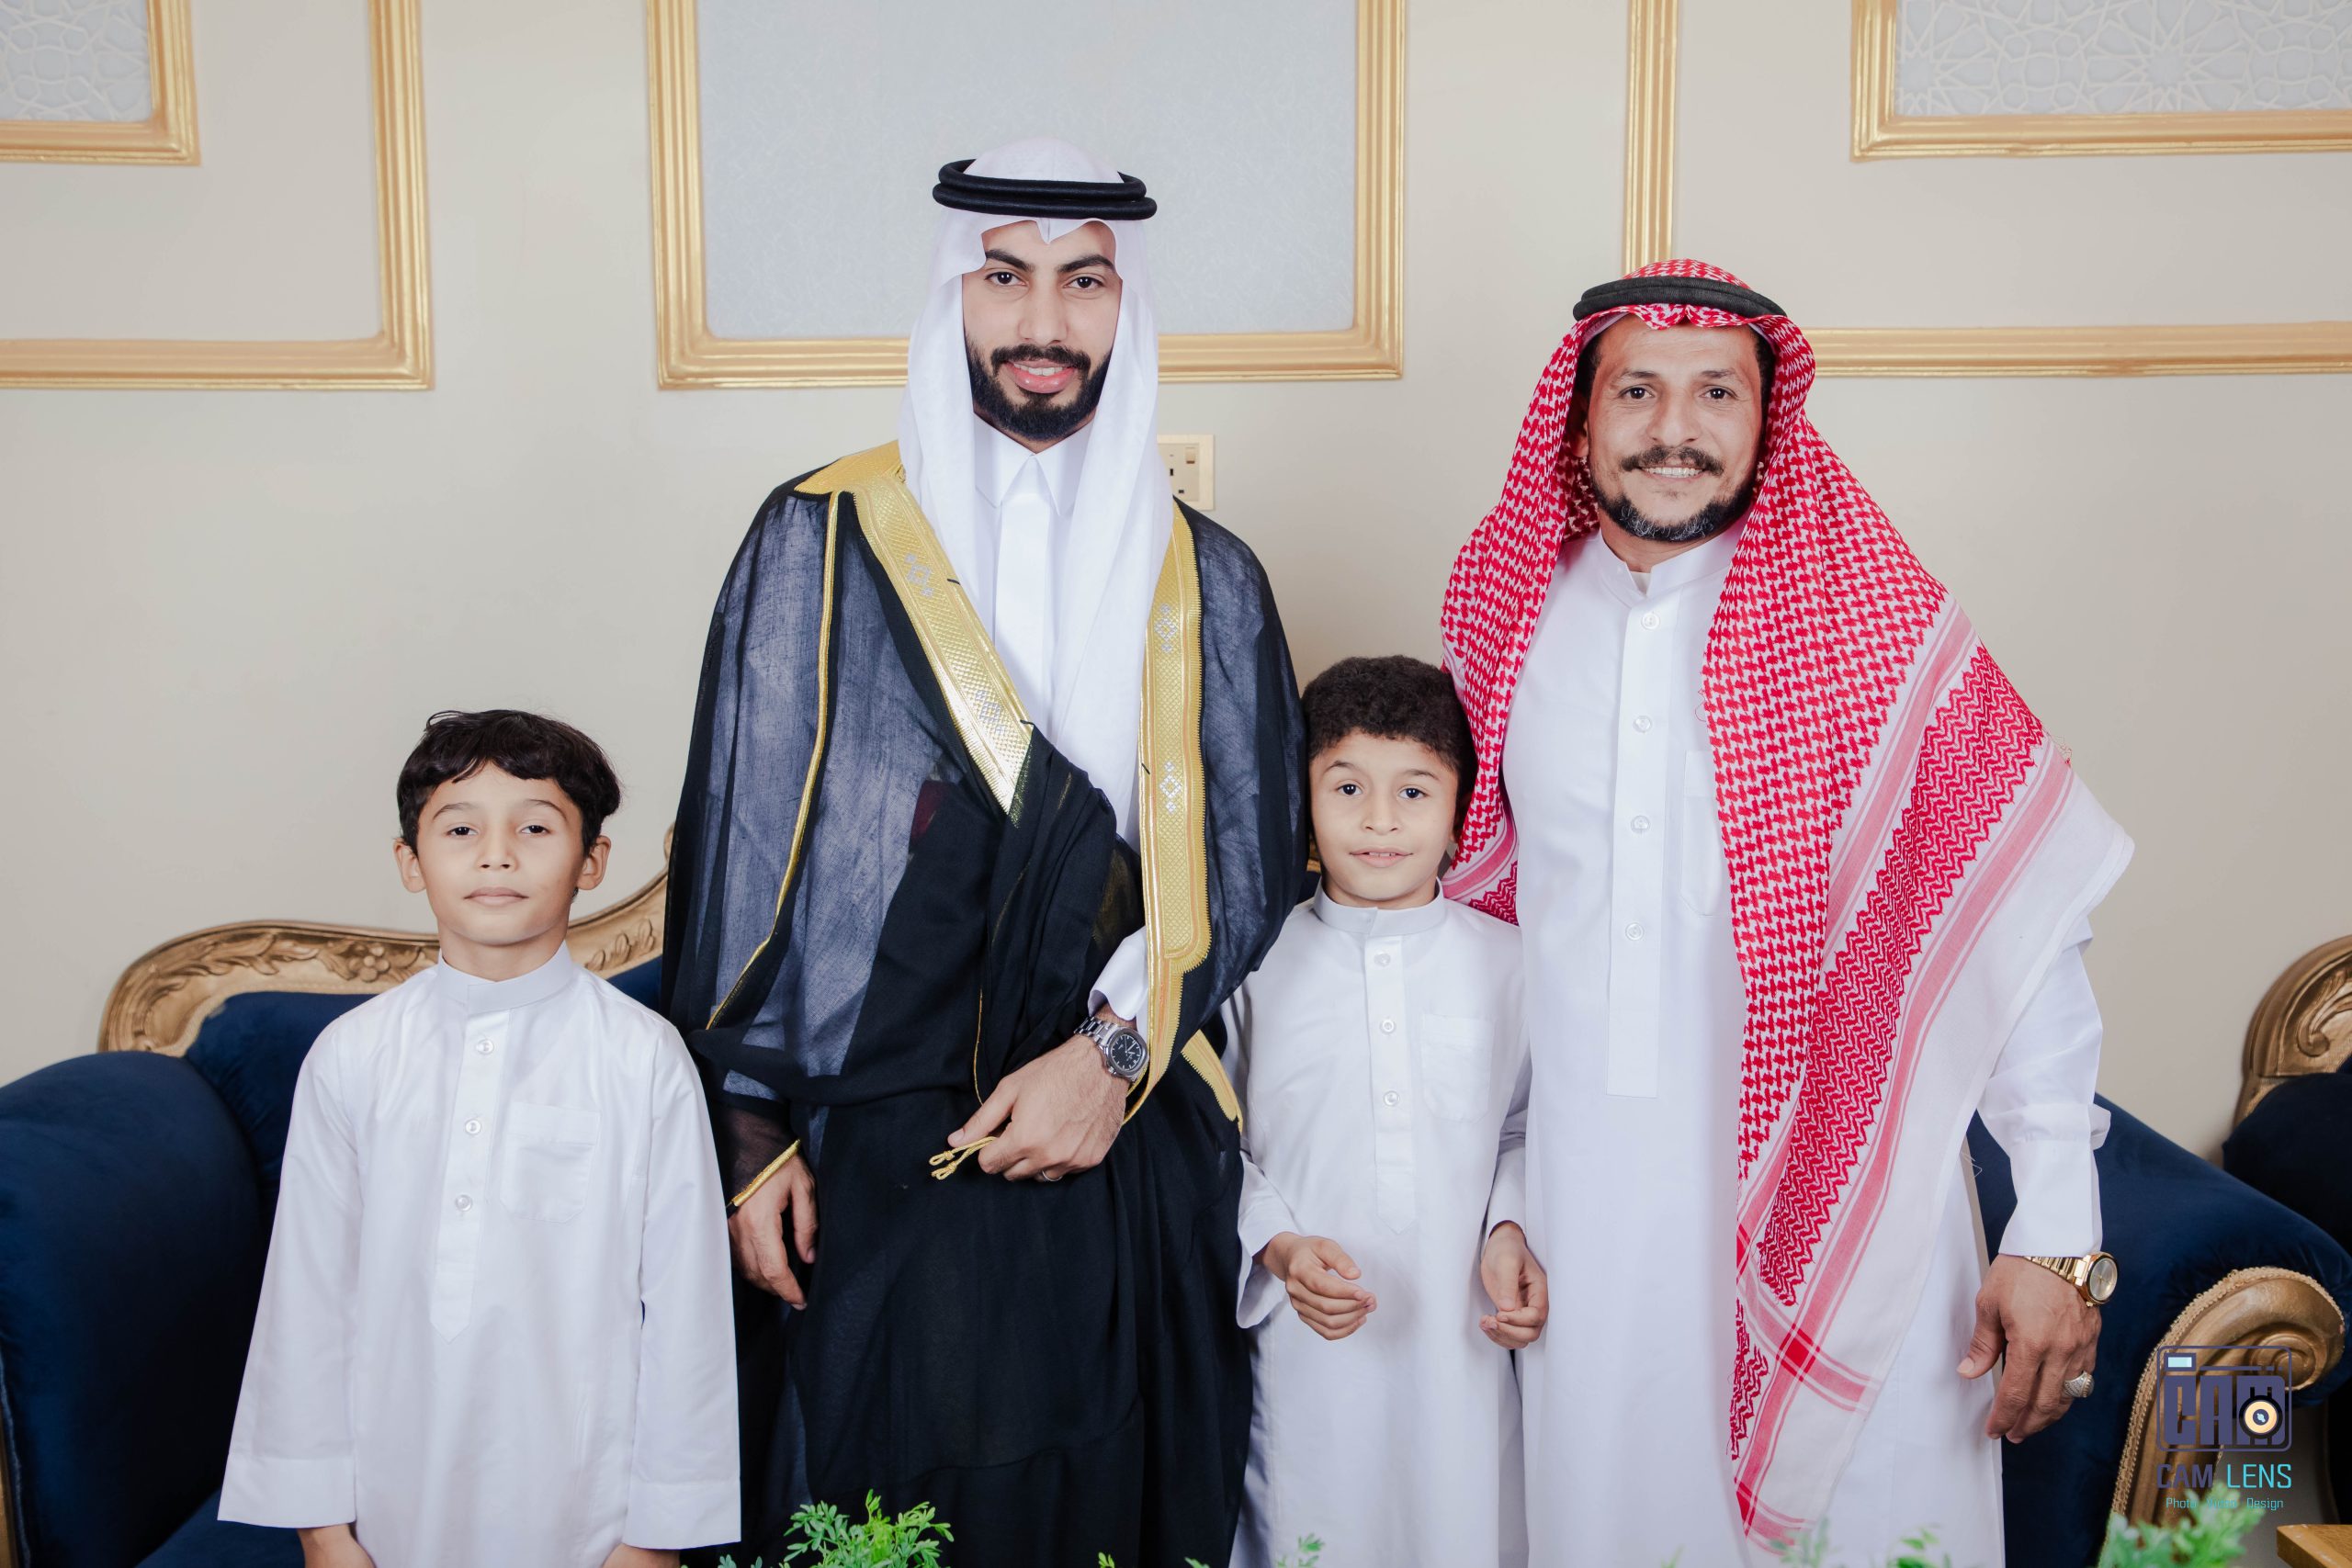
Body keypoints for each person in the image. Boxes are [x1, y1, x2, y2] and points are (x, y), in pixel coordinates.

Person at [661, 139, 1305, 1567]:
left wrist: (1108, 1060)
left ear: (1128, 308)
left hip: (1122, 1111)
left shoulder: (1210, 575)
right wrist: (751, 1146)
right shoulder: (819, 532)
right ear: (951, 291)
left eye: (1086, 283)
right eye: (1004, 278)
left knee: (1114, 1483)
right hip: (884, 1117)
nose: (1043, 321)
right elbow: (748, 853)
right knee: (896, 1482)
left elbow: (1246, 865)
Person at [1442, 262, 2132, 1564]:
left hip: (1844, 1212)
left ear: (1769, 420)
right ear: (1578, 424)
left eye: (1717, 392)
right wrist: (1506, 1194)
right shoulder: (1505, 618)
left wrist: (2056, 1232)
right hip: (1586, 1227)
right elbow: (1500, 947)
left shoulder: (1867, 615)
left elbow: (2016, 929)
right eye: (1636, 391)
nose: (1675, 427)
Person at [220, 709, 738, 1568]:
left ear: (593, 861)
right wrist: (321, 1529)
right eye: (461, 829)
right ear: (410, 861)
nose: (497, 854)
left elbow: (687, 1309)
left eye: (535, 827)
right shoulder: (353, 1055)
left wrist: (656, 1539)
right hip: (389, 1503)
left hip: (586, 1508)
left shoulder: (641, 1058)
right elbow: (306, 1296)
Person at [1222, 655, 1542, 1568]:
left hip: (1464, 1349)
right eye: (1347, 787)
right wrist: (1279, 1248)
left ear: (1459, 811)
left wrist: (1511, 1226)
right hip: (1305, 1350)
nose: (1379, 820)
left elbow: (1528, 1128)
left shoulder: (1510, 963)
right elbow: (1214, 1143)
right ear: (1304, 803)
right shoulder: (1254, 965)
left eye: (1413, 791)